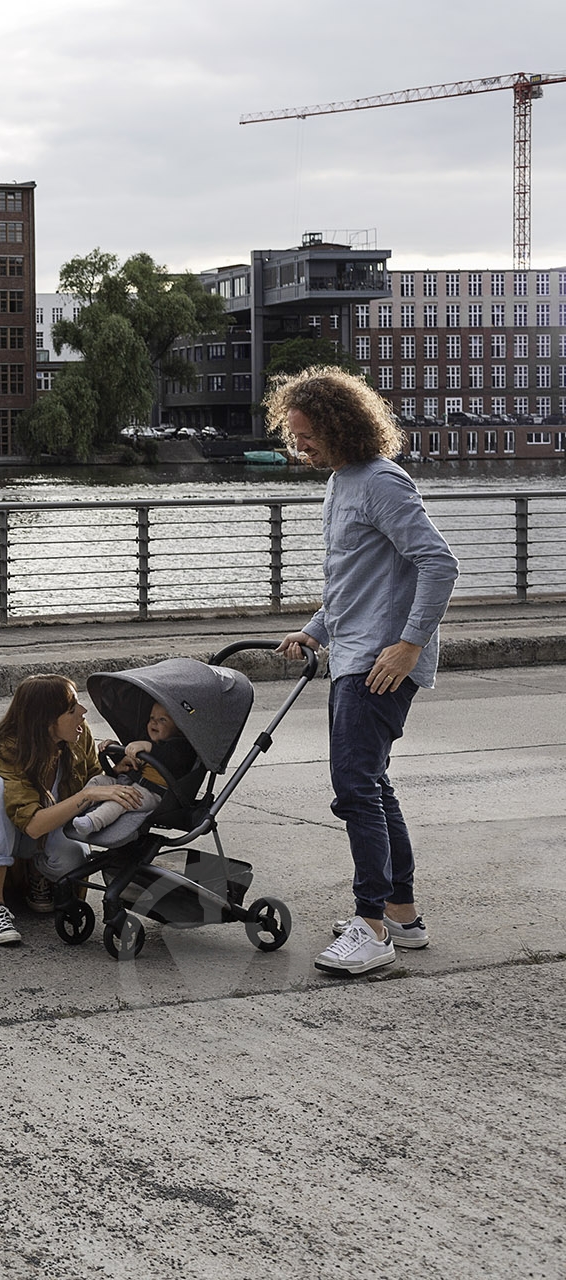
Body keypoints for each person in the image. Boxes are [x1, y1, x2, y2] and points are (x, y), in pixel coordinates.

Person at [270, 366, 458, 977]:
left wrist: (408, 645)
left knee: (354, 787)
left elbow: (439, 563)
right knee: (371, 784)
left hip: (380, 661)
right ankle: (400, 915)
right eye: (293, 437)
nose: (300, 447)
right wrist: (314, 629)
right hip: (351, 652)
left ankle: (370, 926)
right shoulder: (341, 481)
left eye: (308, 435)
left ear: (340, 425)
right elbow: (354, 580)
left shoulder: (381, 482)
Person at [0, 674, 145, 945]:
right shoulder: (10, 745)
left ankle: (38, 875)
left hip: (49, 832)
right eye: (72, 709)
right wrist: (88, 794)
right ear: (45, 720)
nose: (83, 712)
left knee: (74, 861)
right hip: (15, 832)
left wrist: (113, 772)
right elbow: (33, 824)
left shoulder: (79, 734)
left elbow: (91, 775)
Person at [66, 701, 197, 844]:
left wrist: (148, 747)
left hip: (155, 794)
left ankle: (92, 822)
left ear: (179, 728)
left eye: (162, 720)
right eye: (152, 718)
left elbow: (171, 758)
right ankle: (77, 809)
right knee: (98, 782)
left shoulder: (183, 748)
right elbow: (129, 762)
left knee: (122, 800)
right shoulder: (150, 743)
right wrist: (113, 748)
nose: (154, 723)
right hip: (131, 782)